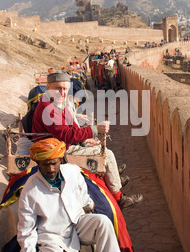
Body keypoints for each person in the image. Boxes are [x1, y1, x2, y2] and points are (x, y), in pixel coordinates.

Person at [17, 138, 127, 252]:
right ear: (38, 164)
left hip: (77, 223)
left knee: (103, 222)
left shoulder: (73, 172)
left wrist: (89, 204)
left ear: (61, 160)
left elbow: (82, 193)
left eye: (53, 163)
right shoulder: (30, 190)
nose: (50, 169)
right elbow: (26, 227)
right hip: (52, 235)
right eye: (45, 165)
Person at [32, 70, 143, 210]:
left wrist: (85, 141)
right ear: (48, 88)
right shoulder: (48, 108)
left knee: (101, 148)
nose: (62, 92)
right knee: (107, 154)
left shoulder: (57, 104)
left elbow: (71, 128)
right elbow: (66, 135)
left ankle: (113, 182)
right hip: (57, 150)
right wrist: (96, 129)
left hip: (62, 144)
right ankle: (119, 197)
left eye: (65, 89)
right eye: (58, 88)